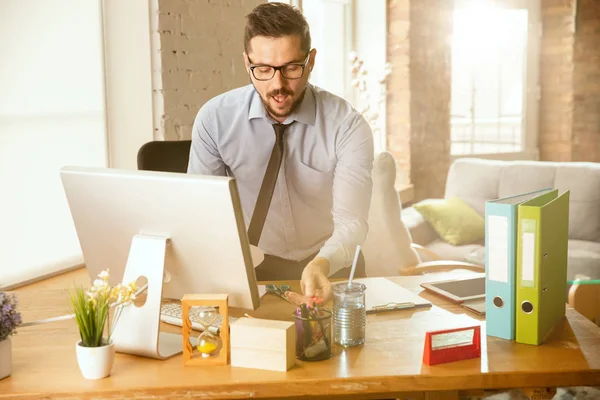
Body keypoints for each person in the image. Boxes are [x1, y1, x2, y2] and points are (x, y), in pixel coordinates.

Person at [187, 2, 374, 304]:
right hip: (254, 266)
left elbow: (352, 223)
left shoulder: (347, 125)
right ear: (247, 63)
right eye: (262, 69)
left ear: (310, 61)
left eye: (290, 68)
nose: (278, 85)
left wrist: (321, 264)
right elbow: (201, 214)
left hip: (330, 263)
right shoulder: (215, 119)